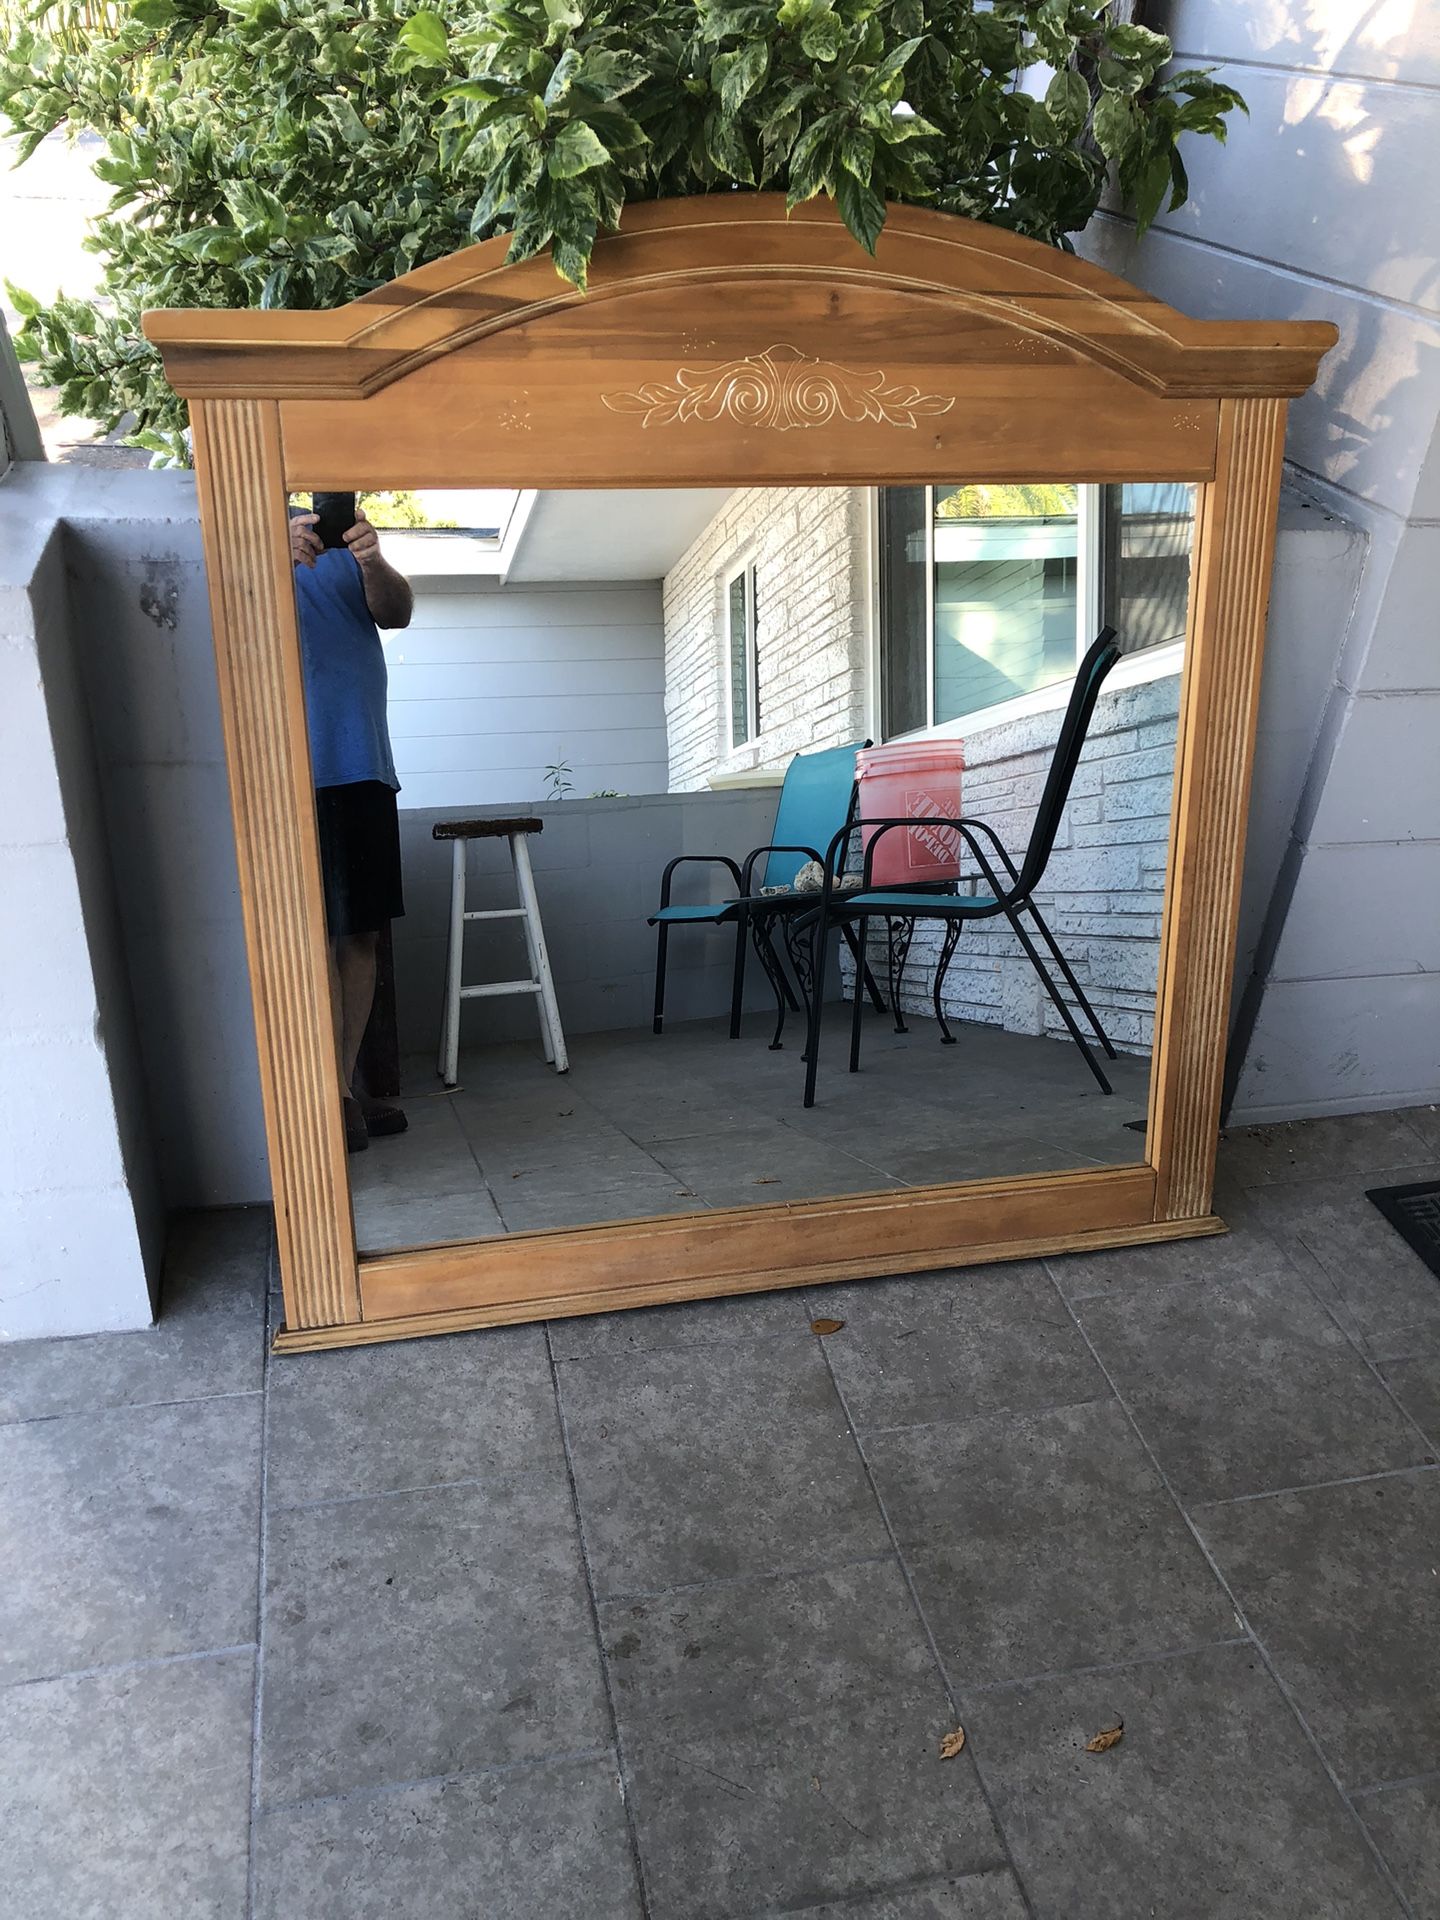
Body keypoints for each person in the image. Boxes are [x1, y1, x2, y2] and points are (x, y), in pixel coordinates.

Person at [289, 493, 414, 1153]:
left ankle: (340, 1090)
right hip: (286, 776)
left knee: (358, 938)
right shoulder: (250, 543)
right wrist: (271, 559)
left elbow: (397, 613)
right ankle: (325, 1096)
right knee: (304, 941)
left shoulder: (360, 548)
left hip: (362, 764)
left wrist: (372, 560)